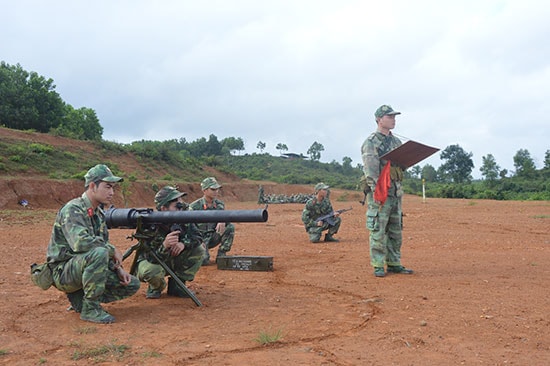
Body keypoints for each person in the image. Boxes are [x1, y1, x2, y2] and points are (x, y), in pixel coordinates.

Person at [46, 164, 140, 323]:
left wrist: (118, 269)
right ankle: (90, 308)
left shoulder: (98, 213)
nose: (112, 192)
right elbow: (81, 243)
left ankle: (80, 299)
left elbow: (100, 243)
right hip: (62, 272)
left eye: (113, 188)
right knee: (100, 252)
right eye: (107, 187)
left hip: (80, 265)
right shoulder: (73, 209)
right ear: (92, 186)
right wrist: (112, 249)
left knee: (131, 284)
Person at [361, 104, 414, 278]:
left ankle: (394, 263)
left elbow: (401, 166)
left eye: (394, 117)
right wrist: (378, 192)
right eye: (389, 117)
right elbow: (371, 170)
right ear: (378, 119)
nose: (393, 120)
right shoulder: (371, 142)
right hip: (380, 193)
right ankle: (377, 264)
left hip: (395, 192)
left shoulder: (396, 142)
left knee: (395, 229)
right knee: (378, 228)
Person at [134, 186, 205, 299]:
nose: (180, 206)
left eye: (181, 202)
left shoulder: (183, 217)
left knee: (199, 249)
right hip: (153, 261)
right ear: (164, 208)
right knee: (151, 270)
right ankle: (156, 287)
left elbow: (198, 236)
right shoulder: (150, 226)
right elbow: (151, 258)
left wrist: (183, 244)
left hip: (172, 258)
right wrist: (164, 246)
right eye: (176, 204)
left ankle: (177, 286)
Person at [189, 177, 235, 266]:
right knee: (204, 261)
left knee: (230, 227)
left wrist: (223, 220)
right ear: (204, 190)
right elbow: (189, 228)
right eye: (213, 189)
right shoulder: (194, 207)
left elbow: (227, 221)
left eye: (217, 189)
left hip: (213, 237)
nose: (216, 192)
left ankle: (222, 254)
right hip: (199, 239)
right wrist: (198, 240)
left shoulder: (219, 205)